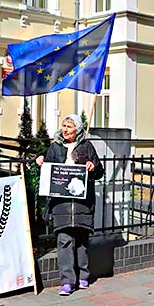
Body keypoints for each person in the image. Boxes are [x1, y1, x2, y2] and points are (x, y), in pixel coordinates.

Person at [36, 114, 104, 296]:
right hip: (61, 204)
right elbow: (47, 174)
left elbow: (99, 173)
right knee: (64, 241)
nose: (65, 129)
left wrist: (93, 166)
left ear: (78, 129)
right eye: (64, 126)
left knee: (81, 240)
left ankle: (83, 276)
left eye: (69, 126)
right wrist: (40, 163)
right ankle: (67, 281)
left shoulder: (86, 147)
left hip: (82, 204)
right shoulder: (55, 148)